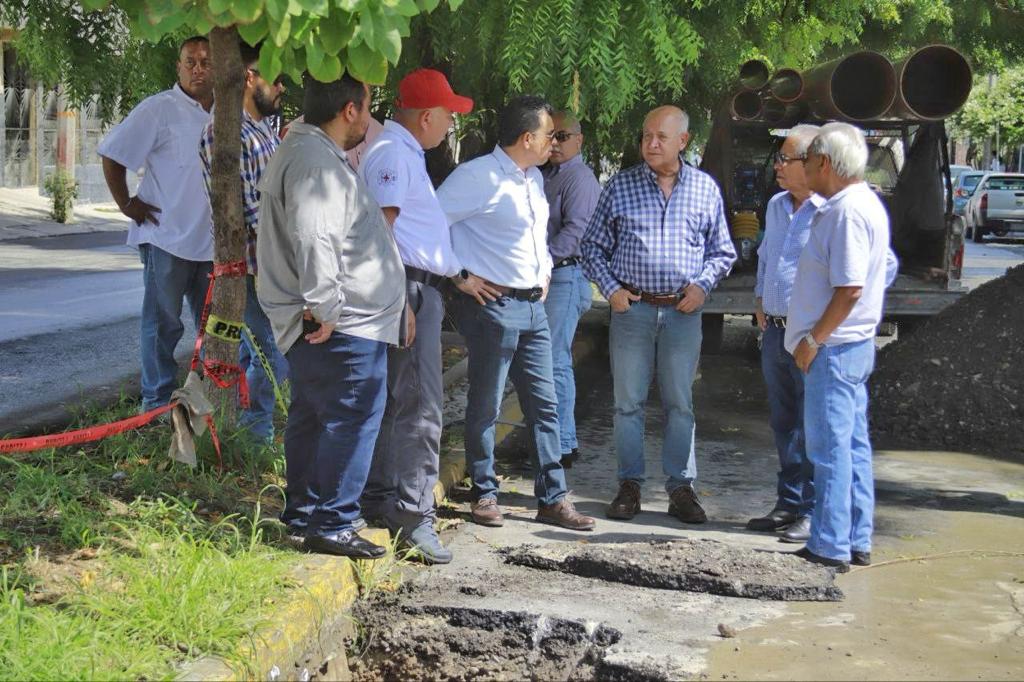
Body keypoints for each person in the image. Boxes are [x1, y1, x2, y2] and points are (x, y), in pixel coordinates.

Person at [256, 72, 407, 558]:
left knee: (314, 416)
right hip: (341, 325)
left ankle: (305, 514)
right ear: (349, 110)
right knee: (351, 415)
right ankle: (333, 521)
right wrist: (326, 306)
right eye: (368, 107)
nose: (370, 118)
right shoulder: (314, 161)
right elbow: (314, 235)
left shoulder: (312, 152)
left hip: (341, 321)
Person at [437, 95, 596, 532]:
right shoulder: (477, 177)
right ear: (527, 138)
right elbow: (428, 223)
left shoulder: (533, 179)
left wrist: (544, 273)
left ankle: (553, 498)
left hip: (533, 308)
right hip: (493, 306)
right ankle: (484, 491)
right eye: (549, 135)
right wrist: (458, 275)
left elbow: (535, 238)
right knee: (486, 404)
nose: (553, 143)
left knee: (545, 405)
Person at [581, 105, 736, 525]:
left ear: (683, 141)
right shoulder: (621, 186)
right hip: (633, 311)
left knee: (680, 403)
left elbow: (722, 251)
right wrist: (611, 290)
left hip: (682, 314)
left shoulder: (704, 189)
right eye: (646, 135)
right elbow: (591, 246)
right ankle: (629, 485)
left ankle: (681, 488)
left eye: (661, 137)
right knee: (627, 403)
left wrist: (702, 286)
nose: (650, 144)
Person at [358, 68, 478, 564]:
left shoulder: (402, 153)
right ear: (426, 116)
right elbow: (382, 233)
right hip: (406, 288)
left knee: (398, 402)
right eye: (448, 116)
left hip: (415, 287)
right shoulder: (393, 154)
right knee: (422, 406)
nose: (450, 125)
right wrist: (401, 301)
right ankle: (413, 514)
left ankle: (383, 498)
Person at [785, 122, 898, 572]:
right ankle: (854, 537)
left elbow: (849, 288)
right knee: (851, 445)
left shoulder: (846, 212)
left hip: (834, 348)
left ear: (825, 163)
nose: (804, 169)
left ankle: (830, 545)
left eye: (808, 161)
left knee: (829, 452)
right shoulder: (860, 203)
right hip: (850, 345)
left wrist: (813, 340)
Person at [98, 36, 214, 412]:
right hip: (166, 239)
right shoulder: (159, 109)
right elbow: (113, 154)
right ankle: (156, 404)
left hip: (213, 244)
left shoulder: (229, 113)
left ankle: (210, 401)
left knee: (214, 328)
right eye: (190, 62)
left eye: (206, 62)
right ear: (178, 67)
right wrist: (127, 203)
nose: (198, 69)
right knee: (163, 325)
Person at [198, 41, 288, 445]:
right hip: (251, 266)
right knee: (274, 356)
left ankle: (247, 435)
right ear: (250, 78)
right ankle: (254, 437)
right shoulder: (225, 133)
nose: (281, 87)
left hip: (271, 265)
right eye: (276, 78)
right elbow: (252, 213)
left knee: (261, 355)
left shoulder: (262, 130)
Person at [745, 125, 823, 543]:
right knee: (783, 422)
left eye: (785, 159)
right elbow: (766, 257)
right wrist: (760, 298)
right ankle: (789, 502)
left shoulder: (830, 210)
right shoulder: (777, 206)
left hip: (809, 336)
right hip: (775, 331)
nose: (777, 165)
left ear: (811, 163)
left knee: (812, 426)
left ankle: (812, 510)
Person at [537, 111, 601, 469]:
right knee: (544, 360)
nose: (556, 143)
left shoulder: (580, 178)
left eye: (562, 136)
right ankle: (552, 440)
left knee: (555, 360)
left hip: (564, 276)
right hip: (549, 276)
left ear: (579, 140)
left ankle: (563, 443)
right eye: (551, 135)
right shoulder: (546, 174)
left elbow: (575, 233)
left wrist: (541, 264)